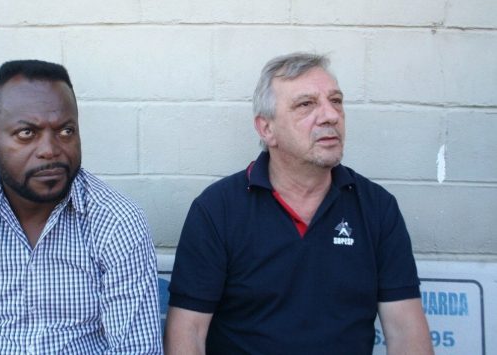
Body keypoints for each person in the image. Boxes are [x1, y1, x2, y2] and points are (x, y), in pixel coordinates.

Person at [164, 53, 433, 354]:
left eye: (336, 101)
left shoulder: (376, 208)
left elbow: (405, 330)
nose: (330, 115)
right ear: (267, 129)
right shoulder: (218, 210)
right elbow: (188, 331)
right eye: (306, 104)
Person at [0, 60, 163, 354]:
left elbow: (135, 349)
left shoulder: (117, 222)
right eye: (27, 133)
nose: (50, 149)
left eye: (66, 131)